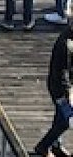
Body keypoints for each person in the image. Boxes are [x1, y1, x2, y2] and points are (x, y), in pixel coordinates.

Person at [33, 15, 73, 157]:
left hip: (59, 85)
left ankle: (55, 145)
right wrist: (66, 93)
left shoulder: (67, 39)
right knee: (65, 121)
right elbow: (62, 72)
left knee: (59, 118)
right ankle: (43, 146)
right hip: (60, 88)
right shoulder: (66, 44)